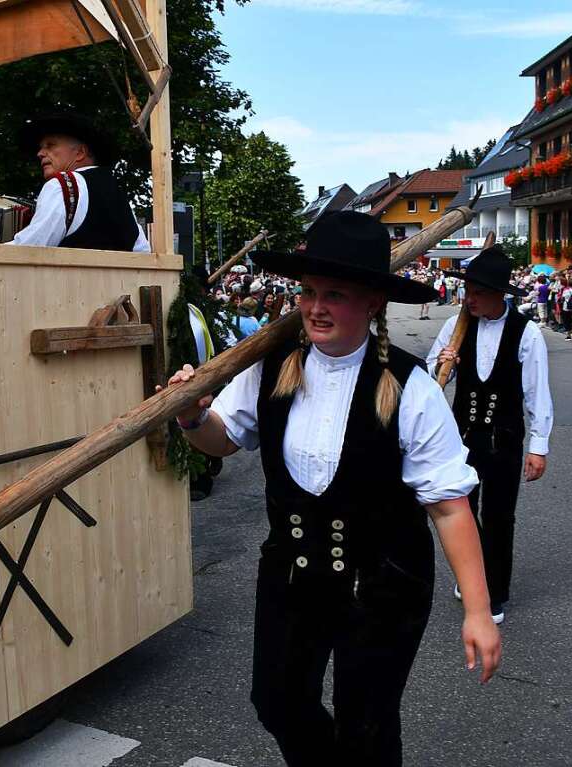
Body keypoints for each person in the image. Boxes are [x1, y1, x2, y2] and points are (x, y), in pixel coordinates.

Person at [163, 211, 500, 765]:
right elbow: (225, 441)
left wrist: (478, 611)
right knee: (277, 701)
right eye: (309, 291)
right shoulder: (269, 368)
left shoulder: (409, 388)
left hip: (385, 584)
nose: (316, 306)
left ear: (372, 303)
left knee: (365, 724)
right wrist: (193, 419)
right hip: (293, 573)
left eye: (335, 294)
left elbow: (449, 507)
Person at [427, 246, 553, 625]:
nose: (470, 299)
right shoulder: (456, 326)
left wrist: (539, 446)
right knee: (461, 510)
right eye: (468, 291)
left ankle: (494, 591)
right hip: (461, 437)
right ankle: (473, 577)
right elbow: (428, 374)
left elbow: (537, 393)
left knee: (499, 516)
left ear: (500, 294)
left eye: (478, 292)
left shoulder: (526, 333)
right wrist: (442, 361)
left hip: (504, 439)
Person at [12, 113, 149, 251]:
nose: (40, 153)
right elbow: (143, 251)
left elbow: (29, 248)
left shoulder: (62, 185)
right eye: (41, 147)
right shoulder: (119, 196)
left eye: (50, 145)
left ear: (80, 153)